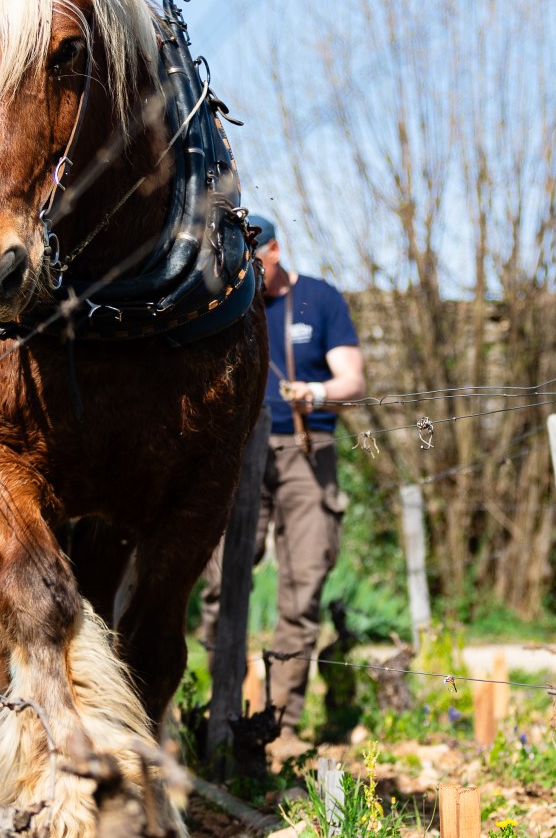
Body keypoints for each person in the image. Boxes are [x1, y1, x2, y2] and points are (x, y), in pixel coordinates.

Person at [200, 215, 365, 750]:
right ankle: (222, 712)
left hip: (305, 449)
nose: (244, 268)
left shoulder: (320, 300)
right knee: (221, 582)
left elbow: (353, 380)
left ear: (273, 251)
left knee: (302, 588)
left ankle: (281, 725)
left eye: (253, 258)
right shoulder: (222, 302)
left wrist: (317, 393)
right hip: (237, 455)